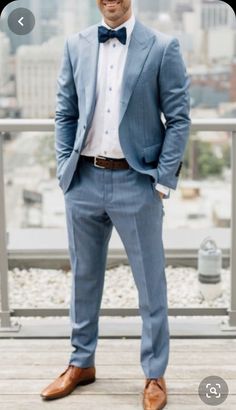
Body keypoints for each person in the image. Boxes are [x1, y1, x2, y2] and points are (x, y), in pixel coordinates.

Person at [40, 0, 191, 408]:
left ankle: (155, 375)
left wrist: (161, 181)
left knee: (150, 284)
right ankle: (80, 362)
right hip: (83, 180)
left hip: (136, 182)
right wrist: (63, 169)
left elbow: (179, 118)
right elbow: (65, 111)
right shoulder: (76, 44)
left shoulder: (162, 46)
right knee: (83, 280)